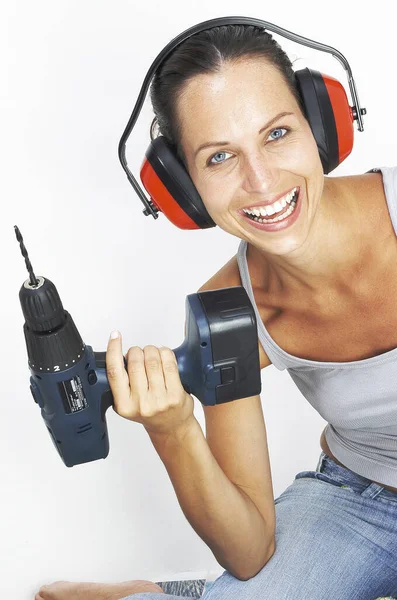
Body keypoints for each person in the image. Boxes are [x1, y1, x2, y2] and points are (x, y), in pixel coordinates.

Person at [35, 23, 397, 600]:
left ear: (321, 127)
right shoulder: (229, 311)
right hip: (361, 501)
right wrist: (175, 429)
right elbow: (249, 549)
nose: (260, 181)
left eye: (277, 133)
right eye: (220, 156)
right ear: (182, 187)